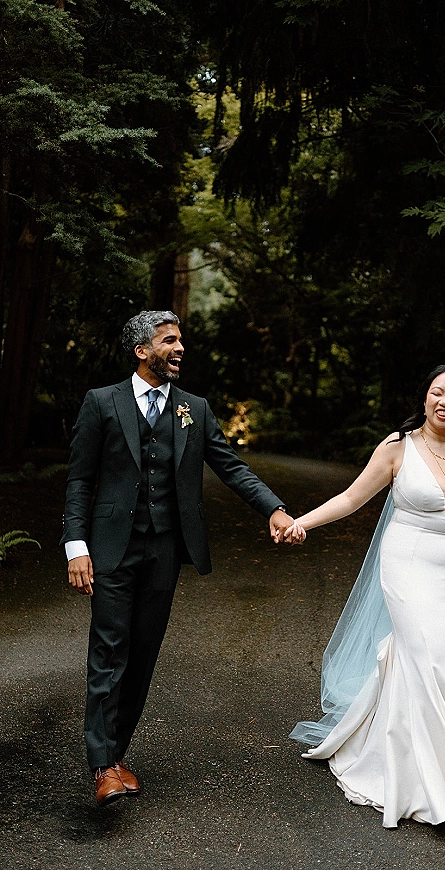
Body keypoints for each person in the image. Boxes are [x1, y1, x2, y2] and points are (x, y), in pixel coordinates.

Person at [61, 310, 296, 806]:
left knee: (142, 653)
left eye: (181, 340)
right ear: (142, 350)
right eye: (170, 340)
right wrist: (76, 546)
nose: (180, 347)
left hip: (165, 550)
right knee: (109, 652)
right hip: (111, 548)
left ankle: (117, 754)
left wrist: (272, 508)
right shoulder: (102, 403)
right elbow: (80, 480)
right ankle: (103, 766)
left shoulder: (195, 408)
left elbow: (231, 468)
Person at [284, 363, 445, 828]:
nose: (444, 402)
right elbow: (351, 499)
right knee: (422, 660)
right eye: (437, 392)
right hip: (407, 565)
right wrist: (300, 522)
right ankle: (421, 782)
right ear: (424, 398)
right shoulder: (397, 447)